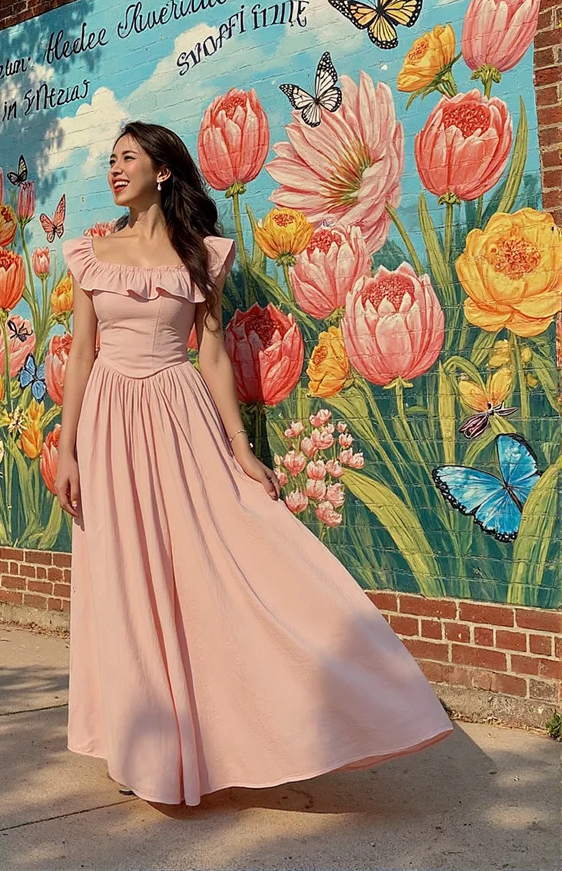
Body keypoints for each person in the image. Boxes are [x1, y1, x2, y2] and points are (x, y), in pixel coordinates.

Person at [55, 121, 454, 808]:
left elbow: (210, 354)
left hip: (180, 416)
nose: (115, 170)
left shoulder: (200, 255)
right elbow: (84, 354)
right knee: (124, 575)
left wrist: (242, 451)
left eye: (128, 158)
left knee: (223, 555)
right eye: (112, 160)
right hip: (109, 423)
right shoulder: (93, 254)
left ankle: (335, 697)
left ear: (164, 172)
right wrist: (66, 449)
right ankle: (142, 743)